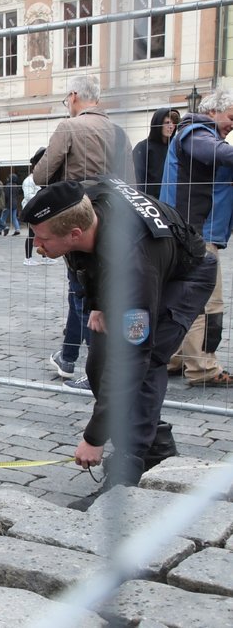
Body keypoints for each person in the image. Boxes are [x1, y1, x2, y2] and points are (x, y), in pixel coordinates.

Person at [21, 178, 215, 503]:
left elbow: (134, 357)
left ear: (75, 234)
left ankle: (127, 473)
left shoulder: (133, 264)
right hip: (135, 267)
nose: (36, 246)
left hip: (185, 276)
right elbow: (83, 261)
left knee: (146, 365)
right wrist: (96, 301)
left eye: (42, 239)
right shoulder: (83, 205)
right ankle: (157, 445)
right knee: (98, 360)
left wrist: (94, 438)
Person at [32, 74, 134, 385]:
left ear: (74, 96)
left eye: (67, 99)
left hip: (76, 220)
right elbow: (131, 183)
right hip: (113, 222)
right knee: (91, 290)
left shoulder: (69, 127)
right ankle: (68, 355)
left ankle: (97, 369)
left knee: (82, 292)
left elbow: (41, 175)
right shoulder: (118, 132)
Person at [160, 88, 233, 387]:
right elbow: (216, 153)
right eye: (231, 117)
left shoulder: (195, 132)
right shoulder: (197, 132)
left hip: (191, 231)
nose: (232, 124)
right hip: (197, 234)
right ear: (213, 112)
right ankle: (203, 368)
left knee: (181, 298)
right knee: (207, 302)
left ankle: (173, 357)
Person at [133, 108, 180, 199]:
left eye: (174, 123)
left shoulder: (175, 148)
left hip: (172, 201)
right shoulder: (143, 147)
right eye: (167, 122)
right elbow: (138, 179)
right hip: (149, 202)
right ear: (157, 123)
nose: (171, 126)